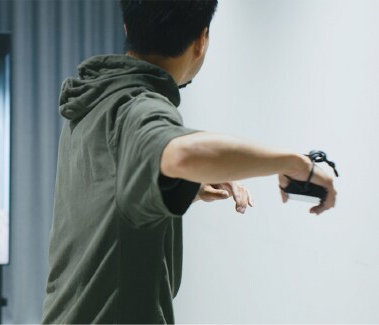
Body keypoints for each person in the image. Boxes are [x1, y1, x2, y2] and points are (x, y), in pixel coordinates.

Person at [42, 0, 337, 323]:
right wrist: (291, 162)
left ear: (128, 27)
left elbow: (104, 188)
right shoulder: (141, 107)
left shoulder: (97, 98)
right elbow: (183, 153)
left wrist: (177, 185)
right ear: (201, 40)